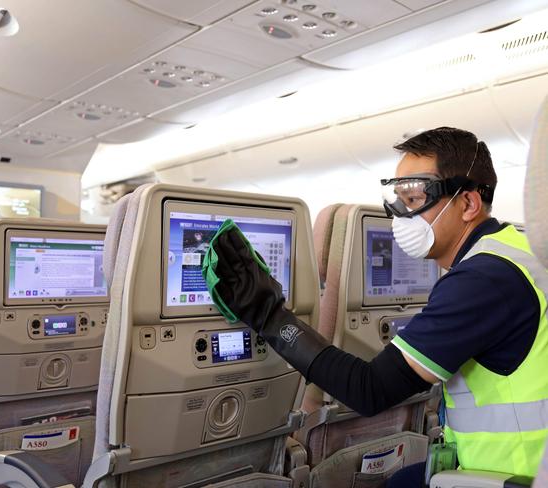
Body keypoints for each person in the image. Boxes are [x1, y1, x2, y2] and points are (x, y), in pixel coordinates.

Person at [206, 127, 548, 484]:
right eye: (398, 199)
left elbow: (370, 390)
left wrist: (269, 316)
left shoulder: (482, 280)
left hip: (512, 475)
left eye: (414, 199)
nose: (400, 214)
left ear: (468, 204)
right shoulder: (520, 250)